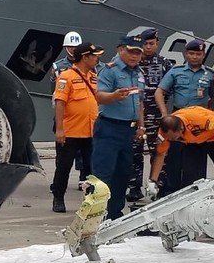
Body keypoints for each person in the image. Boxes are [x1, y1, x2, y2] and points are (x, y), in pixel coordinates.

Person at [93, 35, 146, 220]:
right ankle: (95, 215)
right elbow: (99, 96)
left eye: (138, 52)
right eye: (131, 51)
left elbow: (140, 102)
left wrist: (141, 126)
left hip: (128, 130)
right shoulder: (110, 70)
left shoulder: (138, 73)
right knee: (103, 175)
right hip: (109, 127)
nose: (134, 56)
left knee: (122, 174)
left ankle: (114, 215)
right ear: (120, 49)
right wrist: (114, 96)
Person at [154, 39, 214, 196]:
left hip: (198, 124)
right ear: (185, 54)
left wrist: (211, 115)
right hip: (177, 120)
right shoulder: (176, 71)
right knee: (173, 159)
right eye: (191, 53)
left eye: (198, 54)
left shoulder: (210, 74)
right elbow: (159, 92)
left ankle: (195, 194)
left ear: (204, 55)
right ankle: (169, 193)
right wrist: (164, 114)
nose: (194, 57)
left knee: (196, 161)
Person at [50, 42, 103, 212]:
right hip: (71, 131)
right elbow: (60, 103)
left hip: (90, 131)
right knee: (64, 167)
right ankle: (58, 197)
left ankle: (89, 200)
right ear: (85, 57)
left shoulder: (94, 77)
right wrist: (59, 129)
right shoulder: (66, 77)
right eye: (94, 56)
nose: (97, 59)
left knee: (90, 169)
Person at [145, 106, 214, 200]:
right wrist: (153, 181)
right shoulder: (164, 132)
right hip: (192, 141)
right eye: (169, 138)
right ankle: (195, 200)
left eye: (173, 138)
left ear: (180, 129)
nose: (171, 140)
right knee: (191, 176)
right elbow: (160, 155)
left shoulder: (200, 119)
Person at [126, 27, 174, 202]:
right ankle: (134, 186)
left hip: (156, 115)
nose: (147, 47)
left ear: (157, 44)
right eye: (145, 44)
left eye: (151, 44)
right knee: (134, 151)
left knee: (158, 151)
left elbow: (169, 88)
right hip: (135, 114)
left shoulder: (165, 64)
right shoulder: (133, 63)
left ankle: (159, 186)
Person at [50, 31, 85, 189]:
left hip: (82, 115)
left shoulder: (89, 67)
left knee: (84, 153)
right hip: (65, 113)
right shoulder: (58, 67)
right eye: (71, 47)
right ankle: (59, 184)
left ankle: (83, 179)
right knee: (63, 153)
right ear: (66, 48)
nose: (73, 50)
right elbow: (54, 90)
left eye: (76, 47)